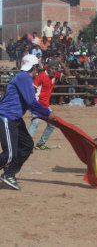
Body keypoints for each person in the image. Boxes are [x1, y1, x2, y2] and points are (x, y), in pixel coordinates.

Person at [0, 54, 56, 190]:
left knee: (27, 145)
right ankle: (8, 174)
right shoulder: (24, 77)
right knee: (9, 155)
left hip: (15, 118)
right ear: (35, 67)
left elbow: (30, 102)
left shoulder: (24, 77)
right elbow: (31, 102)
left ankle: (9, 174)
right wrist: (47, 113)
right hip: (7, 117)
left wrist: (44, 113)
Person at [27, 58, 70, 150]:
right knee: (35, 122)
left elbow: (68, 74)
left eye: (55, 69)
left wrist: (61, 63)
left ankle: (40, 144)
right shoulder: (40, 76)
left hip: (46, 106)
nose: (54, 71)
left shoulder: (55, 75)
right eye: (52, 68)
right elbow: (32, 90)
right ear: (47, 68)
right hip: (37, 104)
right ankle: (25, 145)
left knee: (52, 124)